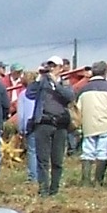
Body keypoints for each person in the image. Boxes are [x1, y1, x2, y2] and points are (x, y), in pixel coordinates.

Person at [27, 60, 75, 197]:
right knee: (42, 159)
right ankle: (43, 189)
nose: (51, 68)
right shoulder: (42, 84)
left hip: (60, 125)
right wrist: (38, 78)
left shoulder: (65, 83)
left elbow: (70, 97)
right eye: (50, 66)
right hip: (43, 123)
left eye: (54, 66)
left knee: (57, 160)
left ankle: (54, 189)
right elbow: (29, 94)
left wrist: (56, 83)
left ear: (60, 68)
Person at [72, 66, 107, 185]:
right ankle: (98, 180)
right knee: (102, 152)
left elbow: (77, 109)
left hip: (88, 124)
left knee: (87, 151)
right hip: (106, 124)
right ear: (105, 73)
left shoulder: (83, 89)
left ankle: (85, 180)